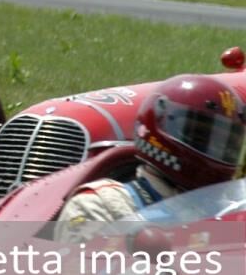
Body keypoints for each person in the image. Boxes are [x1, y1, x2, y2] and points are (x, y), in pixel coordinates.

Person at [53, 74, 246, 244]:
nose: (217, 149)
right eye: (201, 136)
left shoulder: (233, 211)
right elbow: (78, 272)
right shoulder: (103, 206)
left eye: (226, 143)